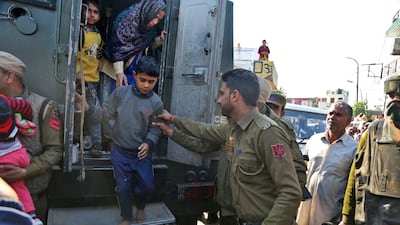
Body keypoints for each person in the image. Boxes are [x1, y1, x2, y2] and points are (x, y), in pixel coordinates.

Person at [155, 69, 302, 225]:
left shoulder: (267, 133)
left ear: (235, 96)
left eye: (222, 93)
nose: (218, 100)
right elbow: (203, 131)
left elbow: (291, 192)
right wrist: (172, 123)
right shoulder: (233, 128)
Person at [77, 56, 163, 225]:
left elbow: (155, 127)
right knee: (123, 188)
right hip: (120, 152)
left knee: (147, 185)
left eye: (151, 82)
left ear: (157, 80)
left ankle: (140, 206)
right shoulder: (120, 94)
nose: (146, 85)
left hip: (141, 154)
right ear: (134, 75)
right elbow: (103, 115)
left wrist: (149, 142)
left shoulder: (156, 102)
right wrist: (89, 108)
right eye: (142, 80)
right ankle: (126, 216)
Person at [0, 51, 63, 224]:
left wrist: (25, 172)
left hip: (30, 200)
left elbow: (55, 151)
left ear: (9, 76)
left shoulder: (42, 107)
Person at [340, 74, 400, 225]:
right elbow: (356, 175)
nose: (395, 100)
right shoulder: (374, 131)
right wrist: (346, 218)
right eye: (392, 95)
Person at [296, 101, 358, 225]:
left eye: (338, 115)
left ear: (348, 121)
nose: (332, 118)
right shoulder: (314, 141)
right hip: (303, 209)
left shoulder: (353, 149)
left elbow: (353, 185)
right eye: (330, 113)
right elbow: (302, 170)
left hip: (329, 213)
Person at [100, 0, 166, 90]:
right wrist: (119, 72)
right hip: (113, 71)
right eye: (155, 17)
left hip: (133, 72)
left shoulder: (148, 27)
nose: (155, 22)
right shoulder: (127, 21)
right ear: (147, 11)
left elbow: (148, 46)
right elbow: (117, 46)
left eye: (159, 20)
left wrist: (160, 40)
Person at [259, 81, 308, 200]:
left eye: (275, 108)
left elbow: (297, 165)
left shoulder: (282, 128)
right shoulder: (257, 125)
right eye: (268, 106)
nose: (270, 110)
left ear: (282, 112)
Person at [0, 94, 42, 225]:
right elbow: (25, 106)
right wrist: (27, 116)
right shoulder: (6, 100)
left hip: (7, 157)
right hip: (18, 152)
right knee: (19, 186)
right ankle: (31, 215)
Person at [76, 0, 104, 157]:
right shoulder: (79, 32)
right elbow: (74, 55)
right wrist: (77, 73)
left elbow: (95, 54)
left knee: (92, 112)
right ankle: (96, 143)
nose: (92, 15)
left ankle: (92, 142)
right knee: (92, 112)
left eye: (96, 12)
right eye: (89, 11)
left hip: (94, 79)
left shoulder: (98, 33)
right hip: (81, 80)